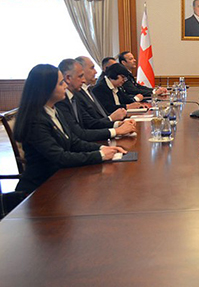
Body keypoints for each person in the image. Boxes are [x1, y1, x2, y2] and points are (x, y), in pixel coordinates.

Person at [13, 64, 126, 194]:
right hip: (40, 190)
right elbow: (59, 157)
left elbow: (73, 142)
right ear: (46, 89)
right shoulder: (35, 120)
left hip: (60, 180)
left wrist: (102, 148)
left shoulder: (54, 111)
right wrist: (100, 155)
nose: (65, 86)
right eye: (61, 83)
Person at [56, 59, 136, 142]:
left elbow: (90, 122)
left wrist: (118, 124)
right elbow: (80, 133)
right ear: (68, 78)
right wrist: (116, 130)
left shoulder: (75, 96)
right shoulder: (63, 101)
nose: (83, 80)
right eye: (80, 76)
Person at [75, 56, 128, 125]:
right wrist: (112, 120)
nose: (96, 72)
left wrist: (119, 121)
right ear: (81, 71)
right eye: (92, 68)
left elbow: (103, 114)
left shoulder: (89, 89)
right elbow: (90, 124)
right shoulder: (77, 94)